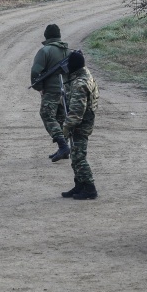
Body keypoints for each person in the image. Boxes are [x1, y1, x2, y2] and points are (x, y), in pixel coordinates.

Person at [60, 51, 99, 200]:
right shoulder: (85, 75)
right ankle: (79, 185)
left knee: (78, 157)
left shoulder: (79, 84)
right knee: (76, 155)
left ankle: (90, 188)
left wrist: (65, 129)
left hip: (80, 126)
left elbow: (76, 112)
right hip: (84, 123)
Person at [31, 24, 71, 162]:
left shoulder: (45, 51)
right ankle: (64, 149)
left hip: (51, 90)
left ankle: (63, 146)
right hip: (66, 90)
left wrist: (39, 87)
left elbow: (36, 72)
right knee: (61, 118)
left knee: (47, 115)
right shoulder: (68, 51)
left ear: (46, 36)